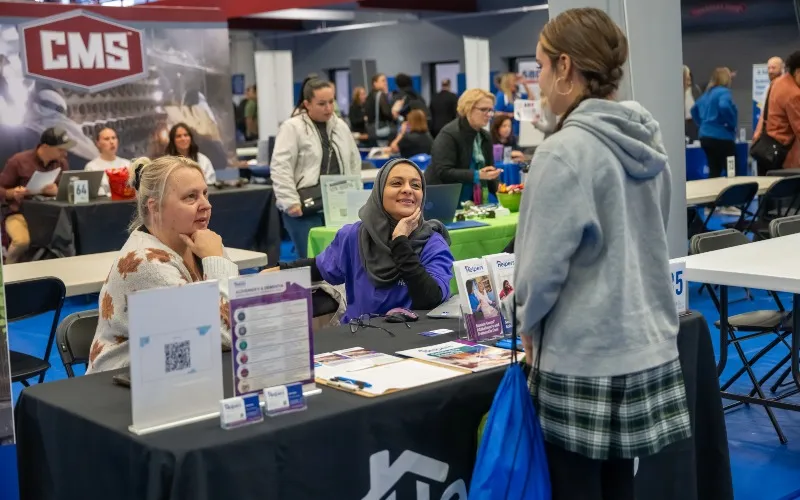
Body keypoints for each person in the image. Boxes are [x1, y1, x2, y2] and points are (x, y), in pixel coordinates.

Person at [513, 8, 691, 498]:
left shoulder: (563, 151)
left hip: (581, 357)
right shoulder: (649, 143)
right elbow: (657, 228)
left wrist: (526, 321)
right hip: (645, 348)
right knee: (618, 489)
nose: (541, 83)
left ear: (566, 67)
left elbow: (537, 271)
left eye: (543, 68)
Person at [86, 156, 239, 373]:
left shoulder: (200, 241)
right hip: (123, 386)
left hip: (177, 372)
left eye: (205, 193)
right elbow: (224, 333)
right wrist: (217, 261)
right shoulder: (146, 263)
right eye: (190, 197)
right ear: (154, 206)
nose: (206, 205)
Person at [270, 159, 453, 322]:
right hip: (358, 337)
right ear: (379, 191)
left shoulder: (432, 243)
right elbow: (318, 267)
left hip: (411, 338)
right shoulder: (354, 235)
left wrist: (400, 242)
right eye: (396, 183)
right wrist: (277, 272)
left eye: (416, 185)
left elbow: (430, 299)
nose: (407, 190)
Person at [270, 78, 361, 258]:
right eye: (321, 103)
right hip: (303, 207)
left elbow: (354, 162)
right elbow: (281, 167)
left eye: (331, 102)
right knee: (312, 263)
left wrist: (354, 195)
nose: (328, 108)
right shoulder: (291, 128)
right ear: (307, 104)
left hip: (337, 205)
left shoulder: (341, 126)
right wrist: (290, 202)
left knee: (343, 260)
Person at [0, 127, 72, 263]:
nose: (65, 153)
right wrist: (11, 193)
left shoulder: (62, 163)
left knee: (67, 238)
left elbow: (68, 190)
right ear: (45, 147)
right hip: (19, 214)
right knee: (22, 241)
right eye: (60, 149)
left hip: (51, 215)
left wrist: (58, 191)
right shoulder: (18, 161)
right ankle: (8, 269)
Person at [425, 88, 502, 204]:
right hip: (442, 199)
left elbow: (489, 175)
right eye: (483, 110)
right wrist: (477, 175)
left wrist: (505, 193)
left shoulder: (485, 137)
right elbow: (443, 171)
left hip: (472, 201)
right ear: (468, 108)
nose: (489, 115)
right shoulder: (449, 134)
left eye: (491, 110)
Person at [754, 51, 800, 172]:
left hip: (765, 150)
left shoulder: (776, 83)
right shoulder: (794, 94)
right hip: (781, 156)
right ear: (798, 72)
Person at [691, 67, 738, 178]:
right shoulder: (724, 92)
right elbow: (724, 106)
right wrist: (731, 122)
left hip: (705, 137)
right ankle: (732, 194)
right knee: (731, 171)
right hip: (722, 137)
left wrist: (702, 124)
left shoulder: (707, 94)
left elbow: (694, 110)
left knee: (714, 169)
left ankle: (714, 193)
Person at [84, 127, 129, 196]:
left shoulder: (127, 164)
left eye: (114, 138)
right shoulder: (91, 167)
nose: (111, 142)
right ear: (98, 143)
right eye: (107, 139)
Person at [494, 72, 532, 137]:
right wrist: (510, 115)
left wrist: (525, 84)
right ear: (508, 83)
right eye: (514, 81)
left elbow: (531, 100)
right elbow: (496, 113)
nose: (516, 83)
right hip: (506, 132)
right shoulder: (502, 95)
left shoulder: (517, 95)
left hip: (518, 131)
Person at [364, 73, 397, 143]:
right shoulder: (381, 95)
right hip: (381, 130)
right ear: (375, 83)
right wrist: (393, 113)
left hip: (371, 131)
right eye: (383, 81)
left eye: (386, 81)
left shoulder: (369, 96)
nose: (385, 83)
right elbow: (387, 113)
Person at [683, 66, 699, 143]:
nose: (688, 82)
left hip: (694, 122)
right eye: (686, 79)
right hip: (683, 123)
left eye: (689, 79)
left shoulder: (695, 90)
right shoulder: (678, 92)